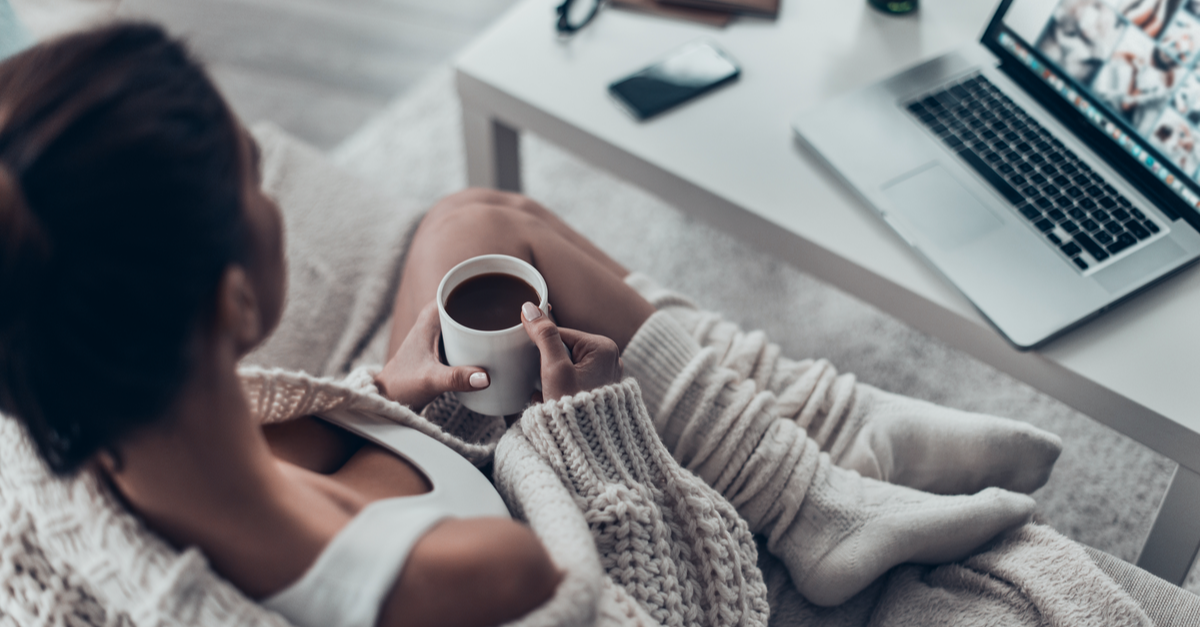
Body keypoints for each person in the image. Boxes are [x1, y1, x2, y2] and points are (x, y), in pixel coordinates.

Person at [0, 23, 1071, 627]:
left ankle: (825, 475)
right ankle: (808, 487)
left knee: (472, 223)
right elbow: (661, 607)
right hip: (550, 529)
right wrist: (591, 431)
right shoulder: (476, 584)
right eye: (256, 180)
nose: (277, 198)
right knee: (512, 267)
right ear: (232, 301)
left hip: (425, 483)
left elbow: (297, 504)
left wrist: (384, 407)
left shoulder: (78, 438)